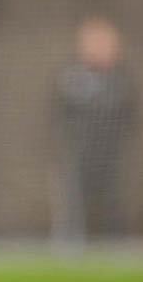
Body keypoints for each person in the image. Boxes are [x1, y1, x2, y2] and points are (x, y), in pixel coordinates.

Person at [53, 16, 138, 242]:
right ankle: (69, 246)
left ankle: (117, 245)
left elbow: (132, 114)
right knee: (74, 203)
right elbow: (58, 113)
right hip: (78, 153)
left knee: (114, 203)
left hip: (112, 154)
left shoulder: (122, 79)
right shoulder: (71, 76)